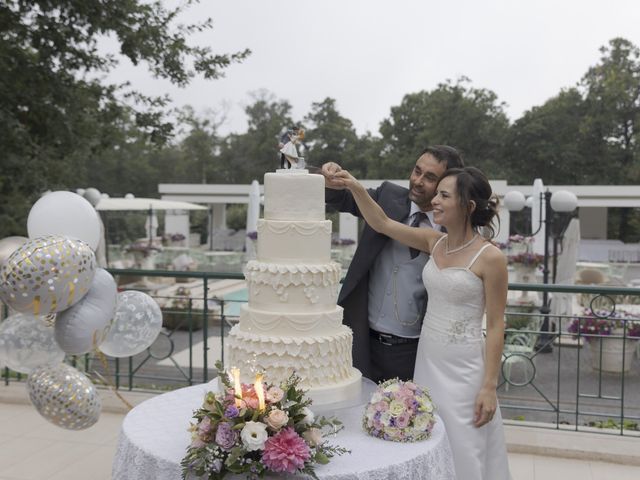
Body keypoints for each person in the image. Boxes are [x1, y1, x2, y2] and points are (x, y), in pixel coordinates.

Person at [329, 165, 511, 480]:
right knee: (428, 442)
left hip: (465, 367)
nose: (434, 201)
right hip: (427, 360)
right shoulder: (434, 242)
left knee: (464, 444)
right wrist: (355, 186)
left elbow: (496, 325)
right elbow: (381, 222)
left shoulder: (491, 258)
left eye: (444, 195)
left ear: (467, 207)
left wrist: (489, 387)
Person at [322, 146, 464, 382]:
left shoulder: (452, 230)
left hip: (416, 350)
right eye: (417, 171)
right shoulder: (387, 196)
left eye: (430, 178)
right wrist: (330, 177)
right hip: (362, 340)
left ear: (446, 185)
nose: (417, 181)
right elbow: (343, 198)